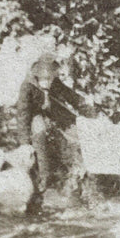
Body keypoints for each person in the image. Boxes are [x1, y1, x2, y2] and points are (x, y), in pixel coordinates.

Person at [17, 53, 95, 193]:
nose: (48, 82)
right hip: (36, 114)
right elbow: (23, 114)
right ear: (37, 75)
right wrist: (24, 143)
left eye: (51, 79)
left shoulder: (54, 82)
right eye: (45, 79)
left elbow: (72, 97)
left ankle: (85, 172)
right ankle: (44, 178)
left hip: (54, 111)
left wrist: (90, 112)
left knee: (76, 132)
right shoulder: (27, 87)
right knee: (39, 133)